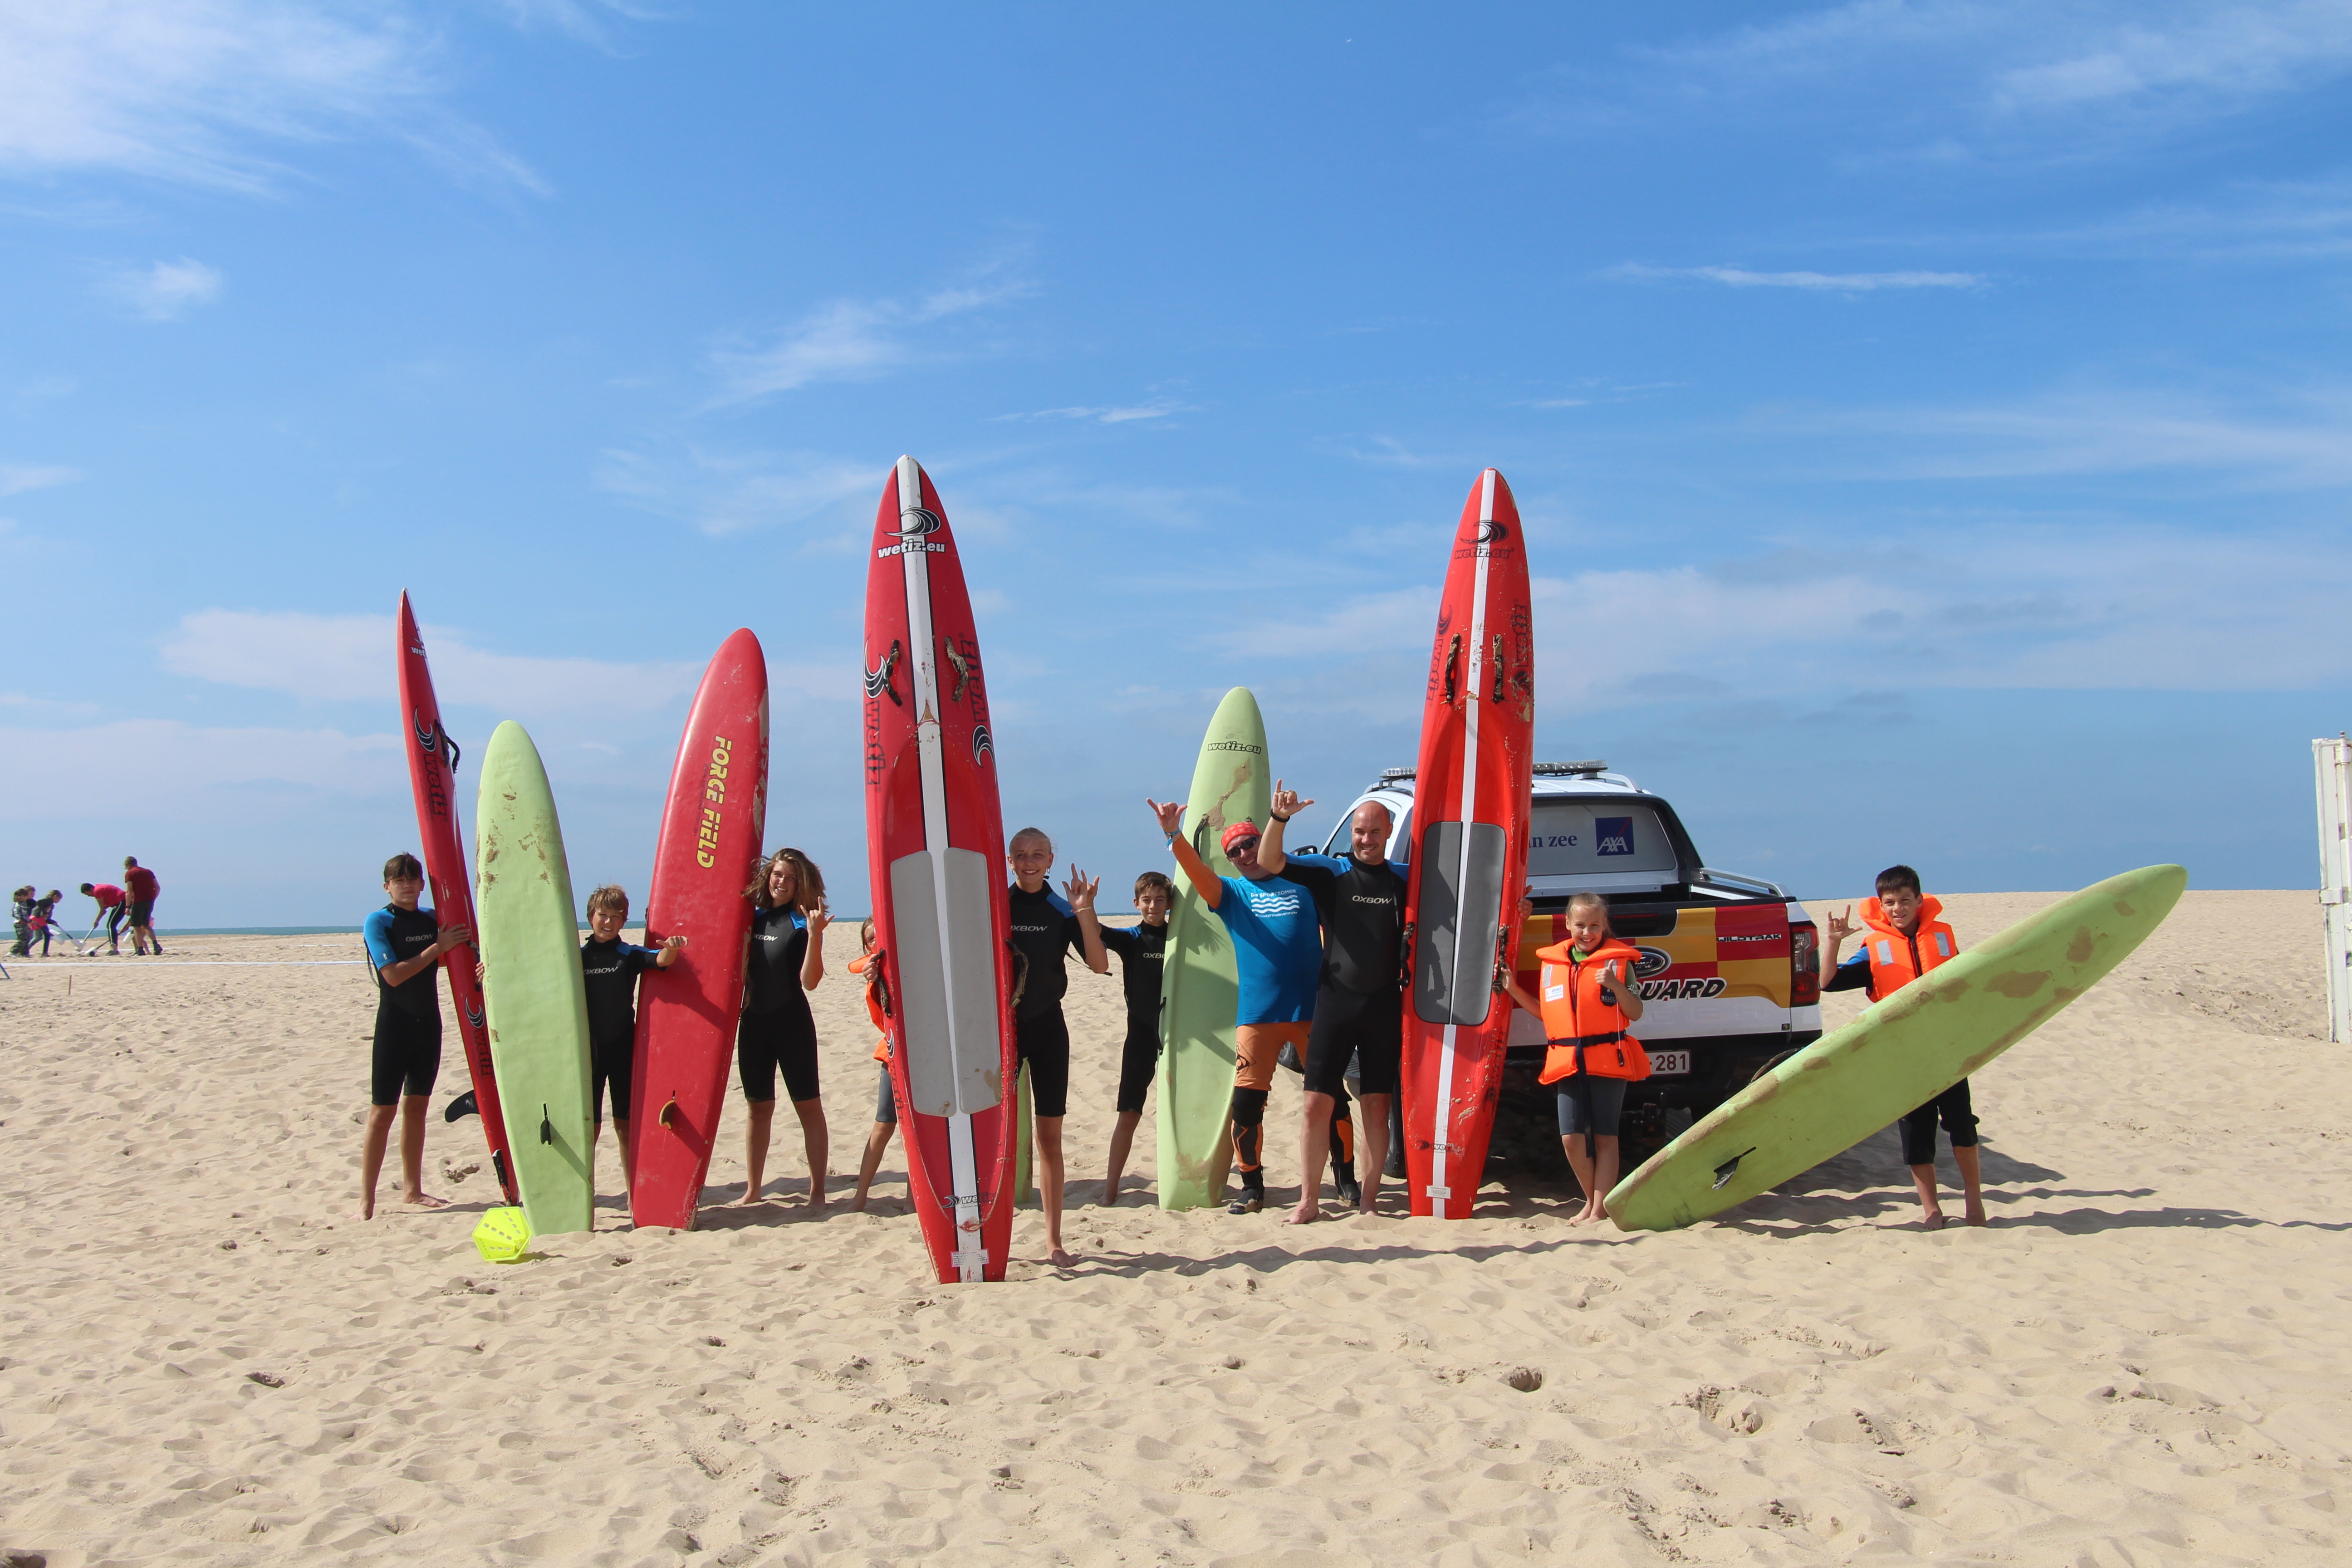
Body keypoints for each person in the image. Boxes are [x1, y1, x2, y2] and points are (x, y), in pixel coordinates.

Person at [1148, 795, 1323, 1217]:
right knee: (1246, 1104)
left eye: (1250, 844)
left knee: (1328, 1097)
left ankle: (1348, 1178)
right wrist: (1173, 835)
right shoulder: (1230, 894)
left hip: (1312, 1011)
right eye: (1235, 851)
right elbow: (1195, 871)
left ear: (1263, 842)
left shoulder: (1304, 884)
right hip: (1258, 1016)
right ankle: (1252, 1186)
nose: (1244, 854)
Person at [1256, 782, 1409, 1220]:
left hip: (1383, 1008)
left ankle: (1370, 1199)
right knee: (1314, 1104)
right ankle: (1308, 1200)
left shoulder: (1404, 879)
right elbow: (1269, 862)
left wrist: (1519, 907)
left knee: (1377, 1107)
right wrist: (1279, 818)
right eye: (1359, 832)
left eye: (1374, 832)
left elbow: (1459, 906)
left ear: (1389, 830)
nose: (1365, 839)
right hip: (1335, 1004)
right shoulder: (1331, 872)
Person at [1820, 864, 1985, 1229]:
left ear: (1919, 900)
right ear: (1881, 906)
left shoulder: (1943, 938)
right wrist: (1833, 942)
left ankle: (1975, 1205)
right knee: (1917, 1132)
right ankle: (1932, 1210)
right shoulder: (1875, 949)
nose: (1898, 909)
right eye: (1890, 903)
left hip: (1947, 1048)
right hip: (1903, 1054)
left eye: (1905, 901)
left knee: (1962, 1126)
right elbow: (1828, 983)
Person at [1501, 892, 1650, 1225]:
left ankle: (1598, 1209)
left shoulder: (1618, 963)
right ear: (1567, 923)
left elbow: (1636, 1012)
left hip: (1608, 1058)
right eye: (1580, 924)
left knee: (1605, 1136)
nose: (1587, 932)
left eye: (1595, 925)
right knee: (1571, 1138)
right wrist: (1513, 990)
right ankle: (1589, 1198)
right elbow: (1548, 1015)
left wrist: (1615, 984)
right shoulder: (1553, 964)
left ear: (1604, 925)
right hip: (1567, 1058)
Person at [1005, 827, 1110, 1265]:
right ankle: (994, 1233)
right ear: (1009, 861)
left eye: (1038, 855)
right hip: (1003, 1031)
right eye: (1021, 855)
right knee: (999, 1138)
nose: (1029, 862)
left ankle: (1053, 1241)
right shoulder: (998, 903)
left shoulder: (1061, 908)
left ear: (1051, 860)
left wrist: (1085, 913)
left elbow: (1100, 965)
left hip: (1049, 1028)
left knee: (1050, 1139)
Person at [359, 853, 469, 1219]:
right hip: (394, 1025)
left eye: (413, 879)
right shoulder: (379, 922)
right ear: (387, 886)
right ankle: (367, 1200)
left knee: (417, 1109)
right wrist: (438, 947)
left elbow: (462, 952)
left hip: (429, 1025)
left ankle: (412, 1190)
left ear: (424, 884)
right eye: (399, 880)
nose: (407, 886)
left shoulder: (432, 920)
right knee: (381, 1113)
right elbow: (393, 975)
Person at [736, 848, 831, 1208]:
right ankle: (753, 1189)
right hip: (754, 1026)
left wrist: (817, 935)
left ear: (800, 883)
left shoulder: (800, 925)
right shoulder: (752, 919)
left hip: (792, 1026)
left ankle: (818, 1191)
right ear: (767, 877)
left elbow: (810, 982)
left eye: (790, 877)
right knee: (757, 1108)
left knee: (808, 1107)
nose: (781, 882)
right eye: (777, 874)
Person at [578, 884, 685, 1196]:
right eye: (603, 916)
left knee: (626, 1126)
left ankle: (632, 1194)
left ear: (624, 921)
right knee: (590, 1129)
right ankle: (584, 1195)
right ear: (590, 917)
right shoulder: (576, 958)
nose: (608, 923)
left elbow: (661, 960)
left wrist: (673, 948)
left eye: (616, 917)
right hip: (589, 1054)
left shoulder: (629, 954)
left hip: (624, 1050)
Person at [1097, 871, 1174, 1205]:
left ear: (1170, 904)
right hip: (1140, 1036)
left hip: (1177, 1037)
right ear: (1136, 903)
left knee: (1181, 1110)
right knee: (1129, 1112)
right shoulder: (1131, 939)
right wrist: (1085, 908)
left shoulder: (1179, 937)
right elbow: (1098, 933)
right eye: (1147, 900)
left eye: (1160, 900)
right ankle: (1111, 1188)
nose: (1153, 906)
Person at [848, 918, 896, 1211]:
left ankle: (911, 1197)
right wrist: (870, 976)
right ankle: (860, 1196)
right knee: (883, 1124)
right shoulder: (872, 968)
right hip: (892, 1052)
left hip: (925, 1053)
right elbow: (854, 965)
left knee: (919, 1129)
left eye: (880, 934)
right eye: (870, 938)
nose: (875, 940)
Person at [122, 856, 161, 956]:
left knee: (137, 927)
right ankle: (156, 945)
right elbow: (157, 888)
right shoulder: (148, 872)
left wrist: (127, 907)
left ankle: (140, 949)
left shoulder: (130, 873)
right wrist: (153, 898)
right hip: (149, 901)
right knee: (146, 925)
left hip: (138, 901)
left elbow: (129, 891)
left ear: (128, 864)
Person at [80, 881, 126, 955]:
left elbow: (102, 909)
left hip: (121, 901)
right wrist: (98, 921)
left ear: (91, 889)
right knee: (111, 925)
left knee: (111, 925)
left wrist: (97, 921)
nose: (89, 896)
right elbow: (104, 908)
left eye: (88, 894)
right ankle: (114, 948)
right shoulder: (99, 890)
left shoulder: (97, 891)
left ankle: (114, 949)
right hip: (119, 902)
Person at [29, 891, 64, 955]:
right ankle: (26, 949)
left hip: (41, 920)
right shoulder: (48, 900)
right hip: (36, 918)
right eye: (59, 899)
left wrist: (52, 922)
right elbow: (39, 902)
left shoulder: (52, 905)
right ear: (55, 896)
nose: (59, 901)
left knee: (47, 935)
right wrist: (44, 912)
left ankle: (45, 953)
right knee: (38, 937)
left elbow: (47, 918)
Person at [8, 886, 31, 957]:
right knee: (23, 939)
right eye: (25, 896)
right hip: (21, 923)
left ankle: (24, 953)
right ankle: (13, 952)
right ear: (22, 896)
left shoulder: (16, 904)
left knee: (27, 938)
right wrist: (29, 921)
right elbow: (24, 914)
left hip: (18, 922)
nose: (26, 898)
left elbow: (13, 914)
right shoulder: (22, 904)